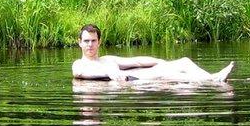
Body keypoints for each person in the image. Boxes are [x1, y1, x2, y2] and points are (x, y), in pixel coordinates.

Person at [72, 24, 235, 82]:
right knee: (176, 78)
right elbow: (80, 73)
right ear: (80, 43)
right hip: (136, 82)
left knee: (184, 61)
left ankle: (214, 78)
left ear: (99, 42)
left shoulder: (108, 59)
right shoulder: (79, 64)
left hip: (141, 75)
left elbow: (137, 61)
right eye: (86, 41)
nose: (90, 45)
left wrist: (159, 61)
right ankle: (214, 80)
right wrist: (108, 72)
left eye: (93, 41)